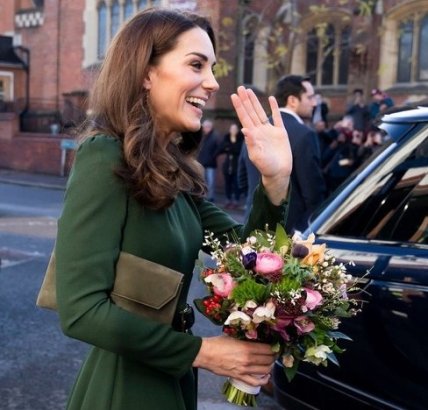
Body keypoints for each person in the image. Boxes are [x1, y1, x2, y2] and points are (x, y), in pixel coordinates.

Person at [54, 8, 292, 410]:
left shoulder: (172, 172)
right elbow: (80, 310)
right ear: (146, 72)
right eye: (196, 65)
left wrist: (275, 180)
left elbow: (250, 259)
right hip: (125, 390)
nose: (212, 82)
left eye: (212, 68)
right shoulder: (104, 156)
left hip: (171, 379)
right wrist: (204, 352)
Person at [240, 75, 326, 234]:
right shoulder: (305, 134)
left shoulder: (255, 129)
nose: (314, 103)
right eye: (310, 97)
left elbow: (242, 180)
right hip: (290, 233)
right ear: (292, 100)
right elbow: (313, 192)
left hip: (252, 228)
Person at [216, 123, 244, 208]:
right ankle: (228, 200)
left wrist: (229, 148)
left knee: (236, 184)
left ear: (237, 130)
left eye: (235, 129)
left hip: (236, 166)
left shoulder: (240, 138)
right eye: (232, 129)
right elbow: (221, 148)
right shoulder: (226, 137)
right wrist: (230, 147)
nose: (233, 130)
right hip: (227, 166)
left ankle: (236, 200)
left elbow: (238, 149)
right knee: (227, 184)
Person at [197, 119, 219, 202]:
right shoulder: (201, 136)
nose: (204, 128)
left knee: (211, 181)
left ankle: (211, 197)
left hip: (210, 163)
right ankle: (203, 196)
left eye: (206, 127)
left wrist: (212, 156)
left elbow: (218, 148)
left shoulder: (215, 137)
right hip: (201, 162)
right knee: (202, 181)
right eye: (204, 126)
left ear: (210, 127)